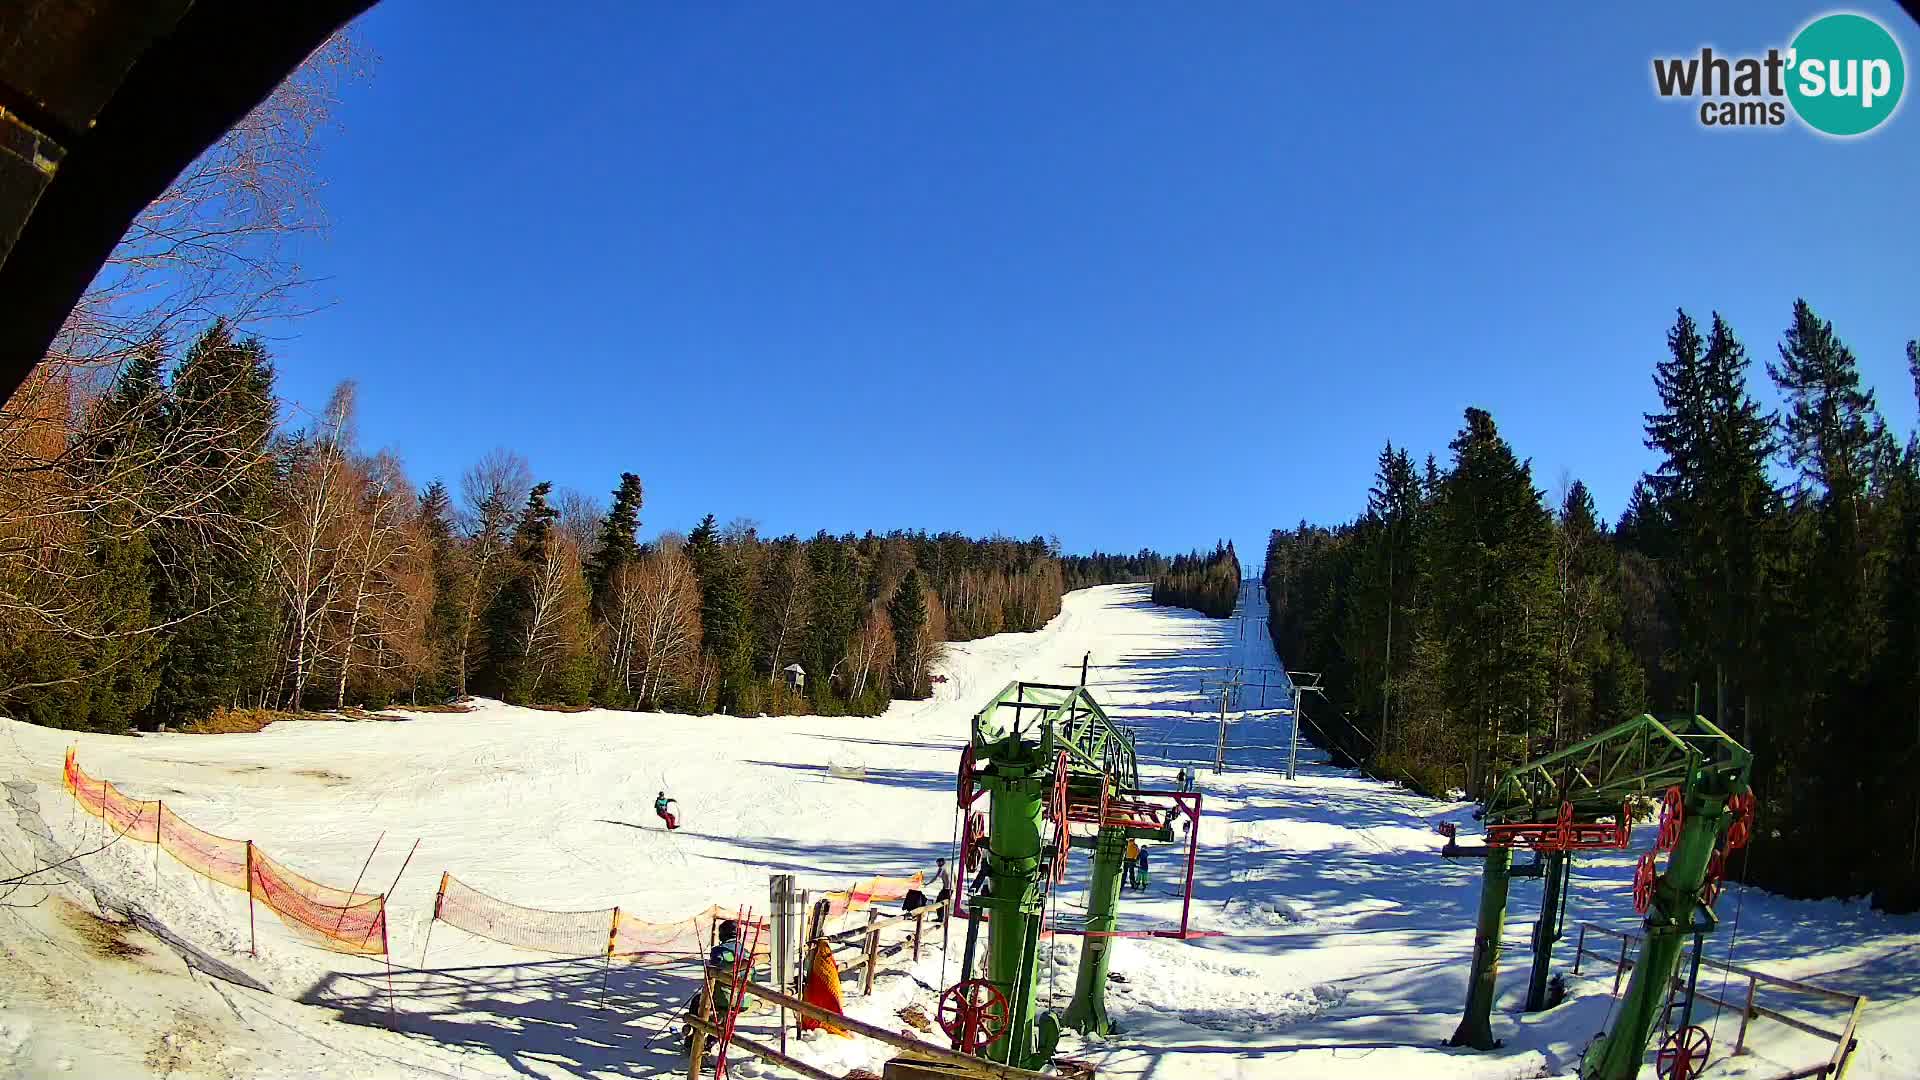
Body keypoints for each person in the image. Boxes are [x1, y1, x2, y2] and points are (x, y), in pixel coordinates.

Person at [931, 857, 953, 922]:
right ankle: (941, 917)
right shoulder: (948, 867)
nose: (937, 865)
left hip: (947, 888)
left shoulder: (943, 868)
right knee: (942, 903)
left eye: (938, 863)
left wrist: (927, 884)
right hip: (948, 888)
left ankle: (941, 918)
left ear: (941, 862)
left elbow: (936, 877)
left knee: (939, 903)